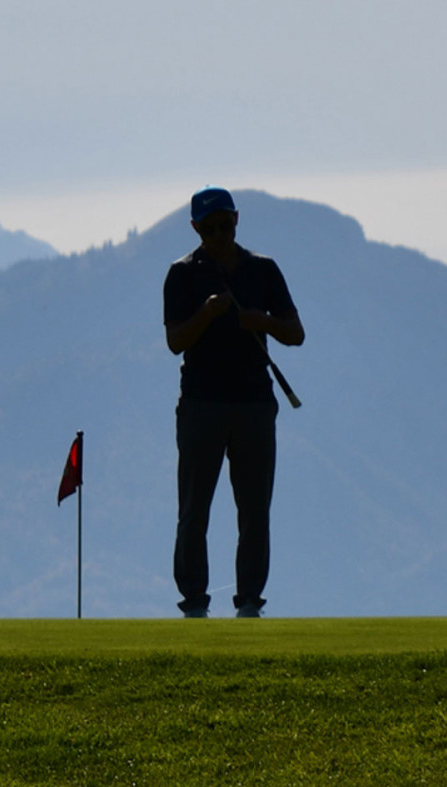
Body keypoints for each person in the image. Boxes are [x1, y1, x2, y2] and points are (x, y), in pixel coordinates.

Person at [163, 186, 305, 618]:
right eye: (209, 229)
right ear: (195, 229)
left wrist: (261, 321)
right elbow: (175, 341)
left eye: (225, 225)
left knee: (255, 511)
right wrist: (206, 314)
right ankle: (193, 603)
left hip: (253, 405)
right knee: (193, 511)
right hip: (201, 404)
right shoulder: (182, 274)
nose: (219, 235)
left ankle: (249, 602)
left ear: (237, 220)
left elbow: (295, 332)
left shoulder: (263, 270)